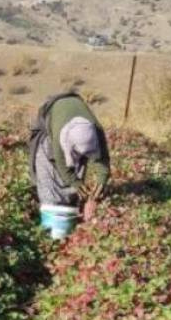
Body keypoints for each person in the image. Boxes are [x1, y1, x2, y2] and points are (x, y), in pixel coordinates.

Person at [28, 92, 111, 222]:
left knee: (78, 170)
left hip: (74, 121)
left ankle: (71, 207)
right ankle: (52, 212)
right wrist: (76, 183)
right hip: (51, 119)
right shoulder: (60, 135)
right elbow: (63, 167)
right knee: (48, 176)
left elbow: (103, 161)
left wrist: (99, 187)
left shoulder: (96, 131)